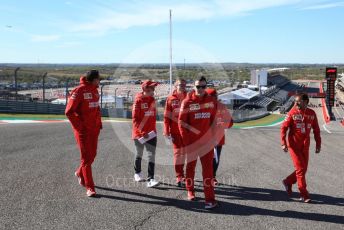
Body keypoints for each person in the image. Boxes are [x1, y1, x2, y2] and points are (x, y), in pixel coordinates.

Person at [178, 76, 218, 209]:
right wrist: (187, 141)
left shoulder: (211, 101)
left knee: (208, 172)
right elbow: (181, 123)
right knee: (190, 169)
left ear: (206, 87)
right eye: (198, 86)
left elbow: (213, 121)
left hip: (207, 144)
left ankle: (210, 200)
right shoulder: (187, 102)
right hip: (192, 144)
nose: (200, 89)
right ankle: (190, 191)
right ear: (193, 87)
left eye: (203, 86)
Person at [65, 70, 102, 197]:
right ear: (93, 79)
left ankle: (80, 172)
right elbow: (69, 112)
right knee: (86, 159)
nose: (100, 81)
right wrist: (81, 128)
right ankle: (89, 187)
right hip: (83, 131)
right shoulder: (79, 91)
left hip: (94, 129)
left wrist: (99, 124)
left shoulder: (95, 90)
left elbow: (96, 109)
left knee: (92, 155)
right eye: (98, 78)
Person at [280, 93, 321, 203]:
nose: (296, 103)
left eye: (298, 101)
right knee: (301, 169)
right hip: (293, 145)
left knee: (303, 169)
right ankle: (304, 194)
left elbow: (316, 130)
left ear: (306, 102)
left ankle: (288, 181)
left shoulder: (312, 113)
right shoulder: (292, 112)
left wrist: (318, 144)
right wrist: (283, 143)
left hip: (305, 146)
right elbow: (283, 128)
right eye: (295, 101)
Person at [132, 80, 160, 188]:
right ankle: (137, 173)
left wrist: (151, 131)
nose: (153, 91)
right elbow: (135, 119)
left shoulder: (152, 100)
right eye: (151, 89)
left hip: (152, 133)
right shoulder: (138, 101)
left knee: (151, 156)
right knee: (139, 154)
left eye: (153, 89)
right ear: (145, 90)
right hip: (140, 134)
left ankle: (150, 179)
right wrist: (142, 132)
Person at [206, 88, 233, 186]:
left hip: (218, 139)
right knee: (207, 160)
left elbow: (230, 122)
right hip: (205, 139)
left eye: (215, 96)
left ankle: (212, 177)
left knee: (215, 159)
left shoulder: (221, 107)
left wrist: (222, 124)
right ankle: (209, 176)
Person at [163, 78, 188, 187]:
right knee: (178, 155)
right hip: (175, 132)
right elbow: (166, 117)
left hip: (188, 132)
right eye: (180, 84)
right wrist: (166, 130)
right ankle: (179, 176)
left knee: (187, 155)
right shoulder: (170, 99)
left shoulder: (190, 97)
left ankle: (187, 175)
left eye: (184, 84)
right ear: (175, 86)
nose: (182, 86)